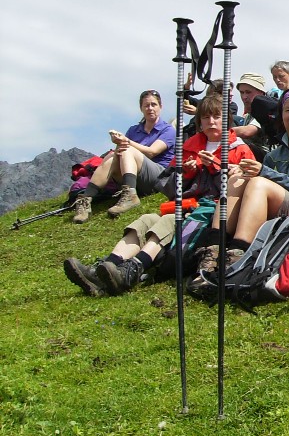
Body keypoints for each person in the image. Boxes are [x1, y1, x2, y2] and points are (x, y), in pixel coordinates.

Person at [63, 96, 254, 296]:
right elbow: (167, 187)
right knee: (146, 220)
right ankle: (104, 267)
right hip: (184, 206)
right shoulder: (189, 146)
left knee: (167, 223)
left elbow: (242, 192)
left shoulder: (240, 149)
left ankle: (130, 271)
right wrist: (187, 172)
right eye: (206, 117)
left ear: (228, 120)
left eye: (217, 116)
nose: (211, 122)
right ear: (199, 121)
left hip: (210, 213)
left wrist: (215, 170)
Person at [187, 86, 289, 292]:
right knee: (238, 178)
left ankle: (236, 258)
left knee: (259, 182)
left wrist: (264, 173)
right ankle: (213, 253)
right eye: (288, 110)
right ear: (281, 114)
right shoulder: (273, 155)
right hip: (283, 212)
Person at [72, 90, 176, 224]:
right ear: (141, 108)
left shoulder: (168, 130)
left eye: (153, 105)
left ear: (160, 107)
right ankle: (86, 200)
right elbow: (122, 153)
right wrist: (118, 145)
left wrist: (126, 141)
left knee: (127, 149)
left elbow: (152, 152)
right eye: (146, 105)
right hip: (134, 174)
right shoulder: (134, 130)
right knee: (112, 156)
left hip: (158, 178)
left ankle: (130, 196)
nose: (150, 108)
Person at [233, 72, 270, 160]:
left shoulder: (265, 110)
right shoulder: (249, 115)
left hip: (268, 159)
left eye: (248, 92)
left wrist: (218, 132)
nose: (244, 97)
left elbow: (246, 132)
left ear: (261, 93)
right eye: (242, 92)